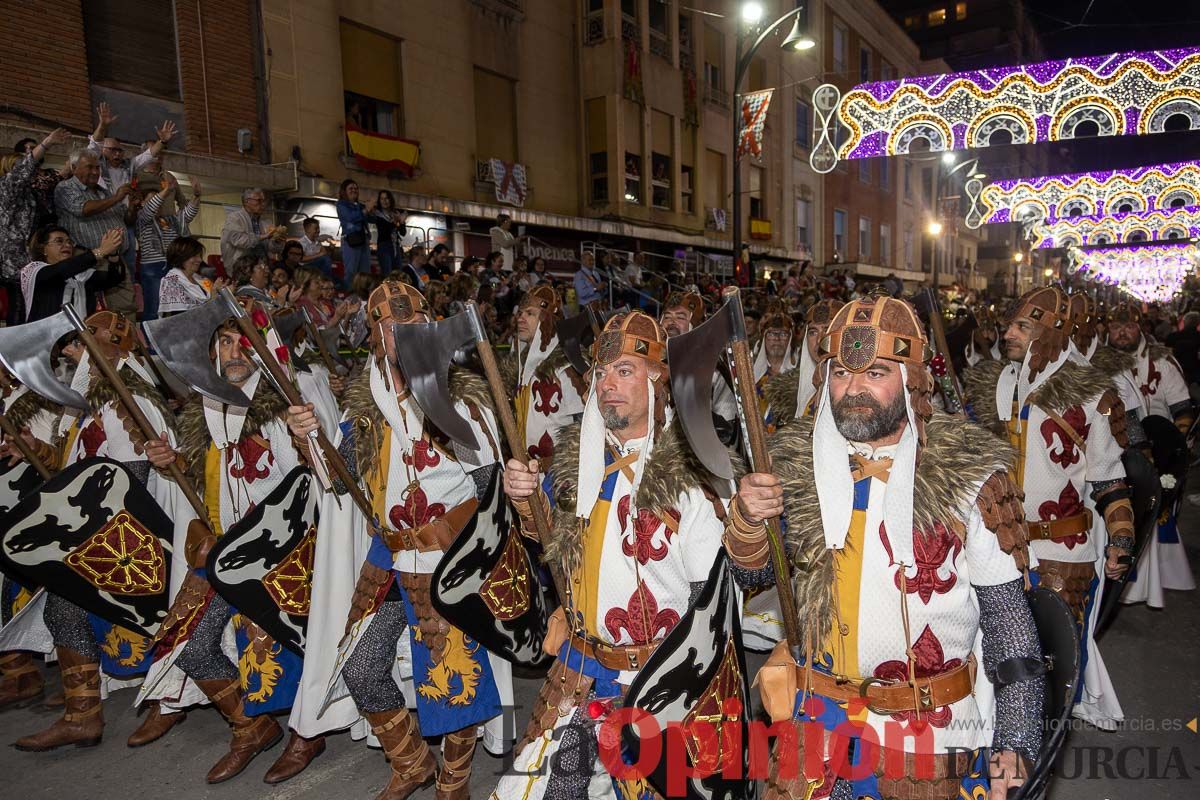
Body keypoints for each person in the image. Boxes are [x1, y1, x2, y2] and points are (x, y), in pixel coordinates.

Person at [737, 295, 1041, 800]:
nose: (853, 388)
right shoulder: (793, 470)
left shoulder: (971, 480)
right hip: (816, 728)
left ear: (911, 381)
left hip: (928, 738)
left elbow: (1011, 635)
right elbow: (751, 579)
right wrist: (748, 521)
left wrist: (1015, 745)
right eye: (840, 373)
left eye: (875, 372)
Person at [495, 310, 746, 799]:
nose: (607, 383)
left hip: (662, 682)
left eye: (624, 370)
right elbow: (555, 549)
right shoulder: (573, 464)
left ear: (656, 379)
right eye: (601, 372)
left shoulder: (696, 475)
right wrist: (529, 502)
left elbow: (710, 612)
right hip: (583, 671)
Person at [285, 281, 512, 799]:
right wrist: (309, 438)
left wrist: (481, 561)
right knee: (361, 666)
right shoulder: (365, 406)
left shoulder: (463, 399)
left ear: (427, 326)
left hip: (447, 559)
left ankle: (454, 781)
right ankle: (411, 763)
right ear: (375, 336)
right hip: (388, 558)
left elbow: (491, 492)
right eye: (387, 325)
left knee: (454, 680)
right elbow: (337, 480)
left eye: (407, 323)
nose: (397, 333)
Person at [140, 308, 338, 785]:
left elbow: (325, 475)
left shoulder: (286, 400)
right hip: (222, 553)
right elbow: (208, 487)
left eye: (242, 342)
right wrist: (172, 465)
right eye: (225, 343)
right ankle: (250, 727)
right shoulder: (203, 409)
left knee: (283, 645)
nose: (233, 352)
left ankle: (305, 731)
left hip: (282, 555)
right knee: (184, 643)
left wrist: (305, 436)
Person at [8, 312, 185, 751]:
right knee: (62, 609)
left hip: (128, 537)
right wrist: (39, 449)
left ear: (107, 347)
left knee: (165, 621)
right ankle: (83, 713)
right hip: (98, 534)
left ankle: (173, 696)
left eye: (79, 344)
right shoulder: (88, 401)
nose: (69, 353)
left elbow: (130, 481)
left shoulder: (125, 398)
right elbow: (73, 470)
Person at [963, 286, 1132, 729]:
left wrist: (1121, 536)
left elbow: (1109, 476)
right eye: (1009, 324)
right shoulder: (1000, 382)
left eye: (1022, 326)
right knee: (1002, 650)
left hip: (1065, 550)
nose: (1008, 332)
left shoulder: (1094, 392)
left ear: (1051, 332)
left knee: (1054, 657)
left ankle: (1044, 735)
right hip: (1001, 544)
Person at [501, 285, 586, 468]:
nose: (521, 318)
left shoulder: (566, 366)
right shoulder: (522, 369)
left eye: (530, 313)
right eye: (520, 313)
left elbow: (583, 423)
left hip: (557, 474)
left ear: (546, 319)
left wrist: (567, 469)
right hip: (527, 472)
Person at [53, 147, 135, 313]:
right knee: (89, 310)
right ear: (74, 168)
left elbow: (126, 219)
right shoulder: (65, 187)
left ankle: (127, 338)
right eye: (89, 167)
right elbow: (83, 209)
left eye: (97, 167)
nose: (95, 171)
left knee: (125, 308)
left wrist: (133, 207)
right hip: (88, 258)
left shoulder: (104, 192)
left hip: (116, 258)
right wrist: (117, 198)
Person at [1, 128, 70, 324]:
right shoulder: (7, 186)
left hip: (28, 260)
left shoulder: (29, 193)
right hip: (14, 262)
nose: (28, 171)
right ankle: (14, 351)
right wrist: (47, 142)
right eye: (21, 167)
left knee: (29, 307)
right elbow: (26, 167)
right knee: (18, 308)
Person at [760, 299, 844, 425]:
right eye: (813, 332)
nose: (819, 339)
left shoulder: (854, 391)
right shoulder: (791, 393)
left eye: (827, 329)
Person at [20, 224, 124, 322]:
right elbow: (61, 271)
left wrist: (113, 253)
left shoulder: (81, 276)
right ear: (43, 249)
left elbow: (114, 278)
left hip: (78, 338)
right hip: (46, 339)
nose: (67, 245)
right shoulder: (35, 272)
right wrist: (101, 251)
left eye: (69, 242)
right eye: (59, 241)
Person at [136, 172, 200, 320]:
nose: (158, 204)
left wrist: (196, 196)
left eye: (159, 201)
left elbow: (187, 215)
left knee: (175, 309)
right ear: (143, 203)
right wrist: (167, 190)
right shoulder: (141, 219)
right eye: (152, 201)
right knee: (154, 308)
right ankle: (150, 342)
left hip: (172, 267)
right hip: (153, 267)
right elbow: (149, 210)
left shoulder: (169, 219)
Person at [220, 187, 287, 271]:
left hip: (263, 266)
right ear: (247, 202)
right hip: (240, 267)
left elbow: (274, 250)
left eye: (264, 200)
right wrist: (263, 236)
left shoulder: (266, 222)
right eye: (259, 200)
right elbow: (240, 241)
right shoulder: (234, 218)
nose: (263, 204)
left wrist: (277, 240)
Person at [158, 237, 223, 316]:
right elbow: (181, 319)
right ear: (180, 257)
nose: (199, 260)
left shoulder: (200, 279)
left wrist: (223, 293)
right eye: (195, 256)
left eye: (199, 256)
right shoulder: (171, 282)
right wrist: (213, 299)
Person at [335, 179, 374, 286]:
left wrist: (371, 209)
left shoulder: (360, 206)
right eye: (350, 188)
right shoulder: (341, 204)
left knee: (365, 272)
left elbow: (373, 219)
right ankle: (348, 296)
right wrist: (366, 210)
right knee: (351, 271)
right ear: (344, 191)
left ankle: (362, 297)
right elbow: (351, 217)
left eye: (356, 188)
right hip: (351, 241)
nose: (354, 190)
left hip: (364, 240)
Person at [1165, 310, 1200, 393]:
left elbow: (1167, 354)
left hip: (1176, 371)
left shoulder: (1172, 337)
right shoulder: (1198, 337)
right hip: (1196, 371)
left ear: (1184, 322)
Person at [371, 191, 405, 273]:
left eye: (386, 198)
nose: (384, 201)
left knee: (398, 274)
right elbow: (385, 230)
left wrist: (402, 222)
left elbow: (403, 232)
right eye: (382, 199)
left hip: (396, 246)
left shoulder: (396, 213)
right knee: (388, 274)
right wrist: (398, 222)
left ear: (390, 200)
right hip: (384, 247)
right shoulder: (378, 214)